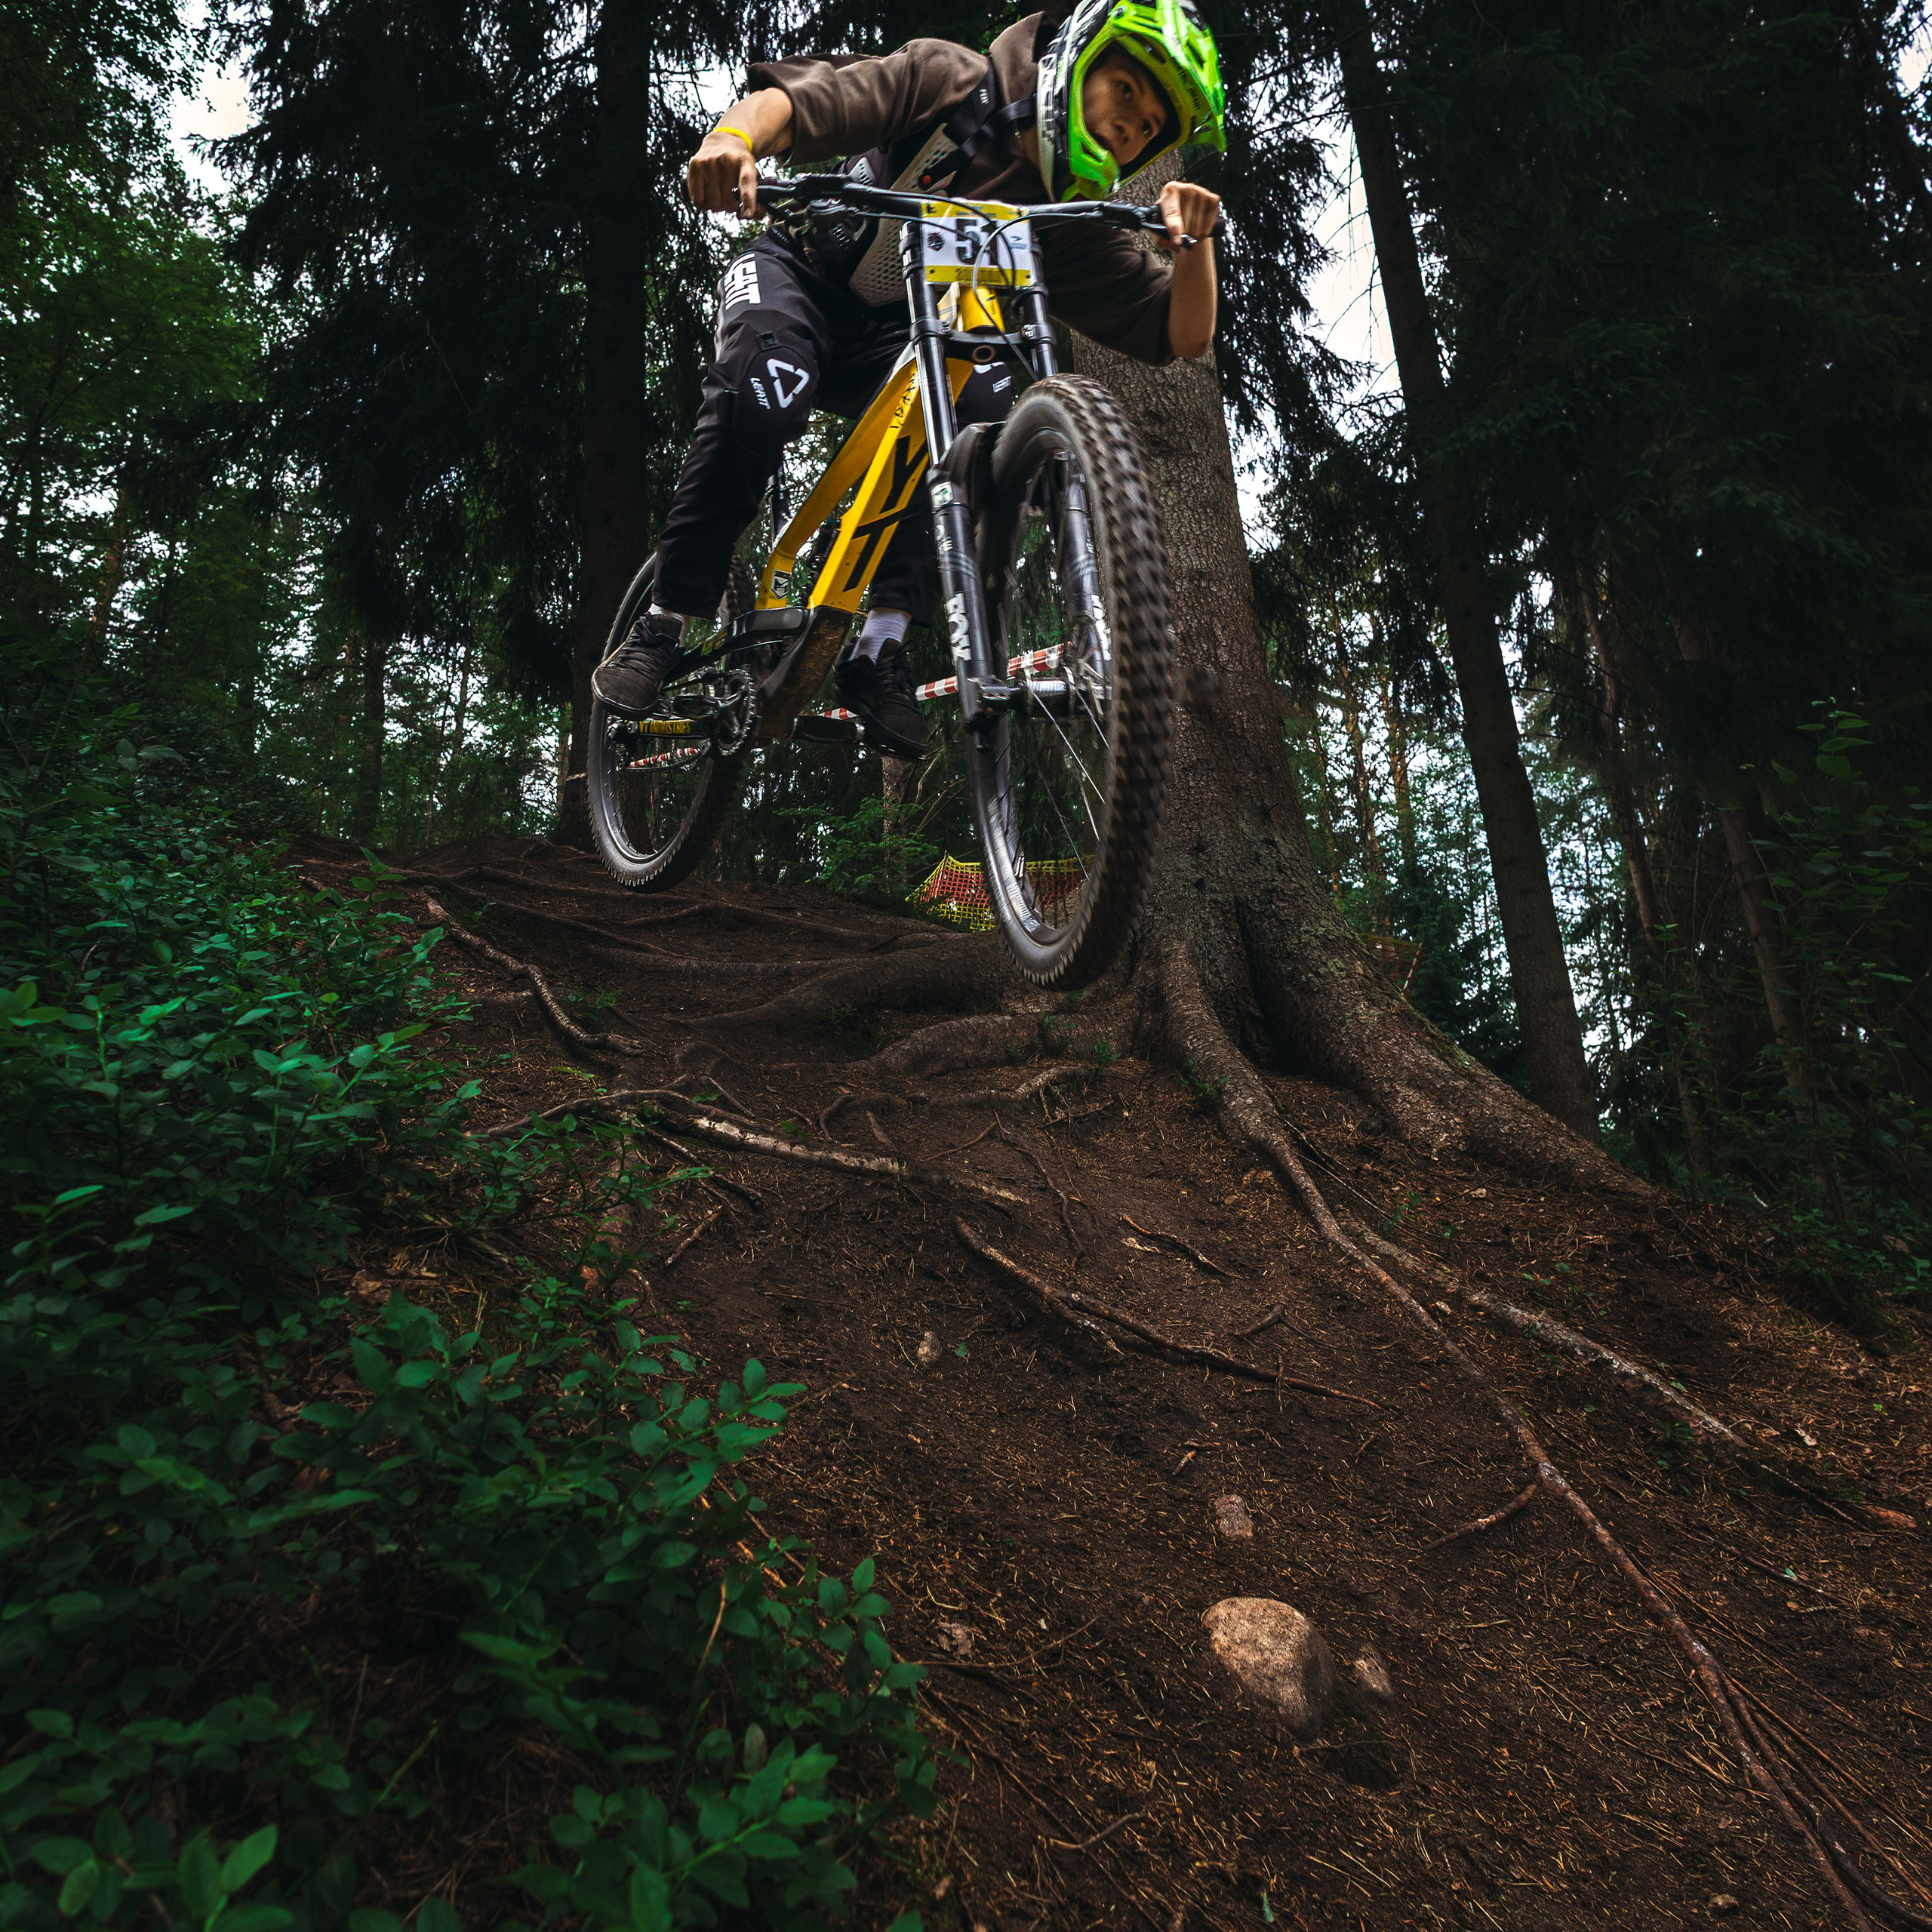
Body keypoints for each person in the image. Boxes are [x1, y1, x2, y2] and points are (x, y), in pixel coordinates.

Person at [592, 0, 1225, 758]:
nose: (1132, 126)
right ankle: (666, 618)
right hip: (799, 276)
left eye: (1151, 125)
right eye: (1126, 92)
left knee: (975, 411)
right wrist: (732, 142)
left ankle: (877, 650)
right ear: (1077, 61)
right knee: (765, 393)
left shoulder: (1065, 220)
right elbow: (796, 103)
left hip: (897, 341)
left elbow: (1179, 333)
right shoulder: (950, 81)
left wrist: (1197, 244)